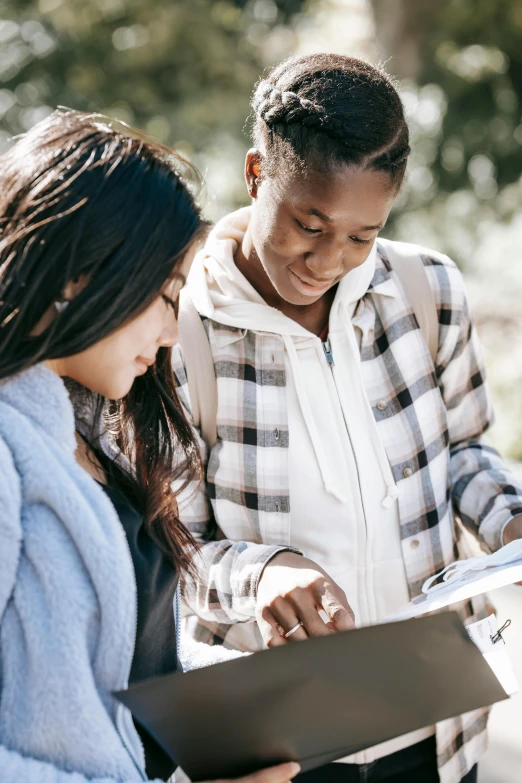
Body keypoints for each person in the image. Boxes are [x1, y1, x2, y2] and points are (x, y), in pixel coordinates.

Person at [174, 53, 522, 783]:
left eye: (362, 235)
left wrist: (509, 523)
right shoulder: (179, 331)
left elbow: (463, 453)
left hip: (434, 715)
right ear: (255, 173)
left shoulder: (429, 290)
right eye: (309, 223)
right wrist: (262, 573)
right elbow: (169, 545)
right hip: (276, 740)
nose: (329, 259)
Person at [0, 109, 300, 783]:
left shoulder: (92, 435)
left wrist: (258, 697)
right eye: (165, 297)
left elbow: (120, 666)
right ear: (79, 274)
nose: (172, 332)